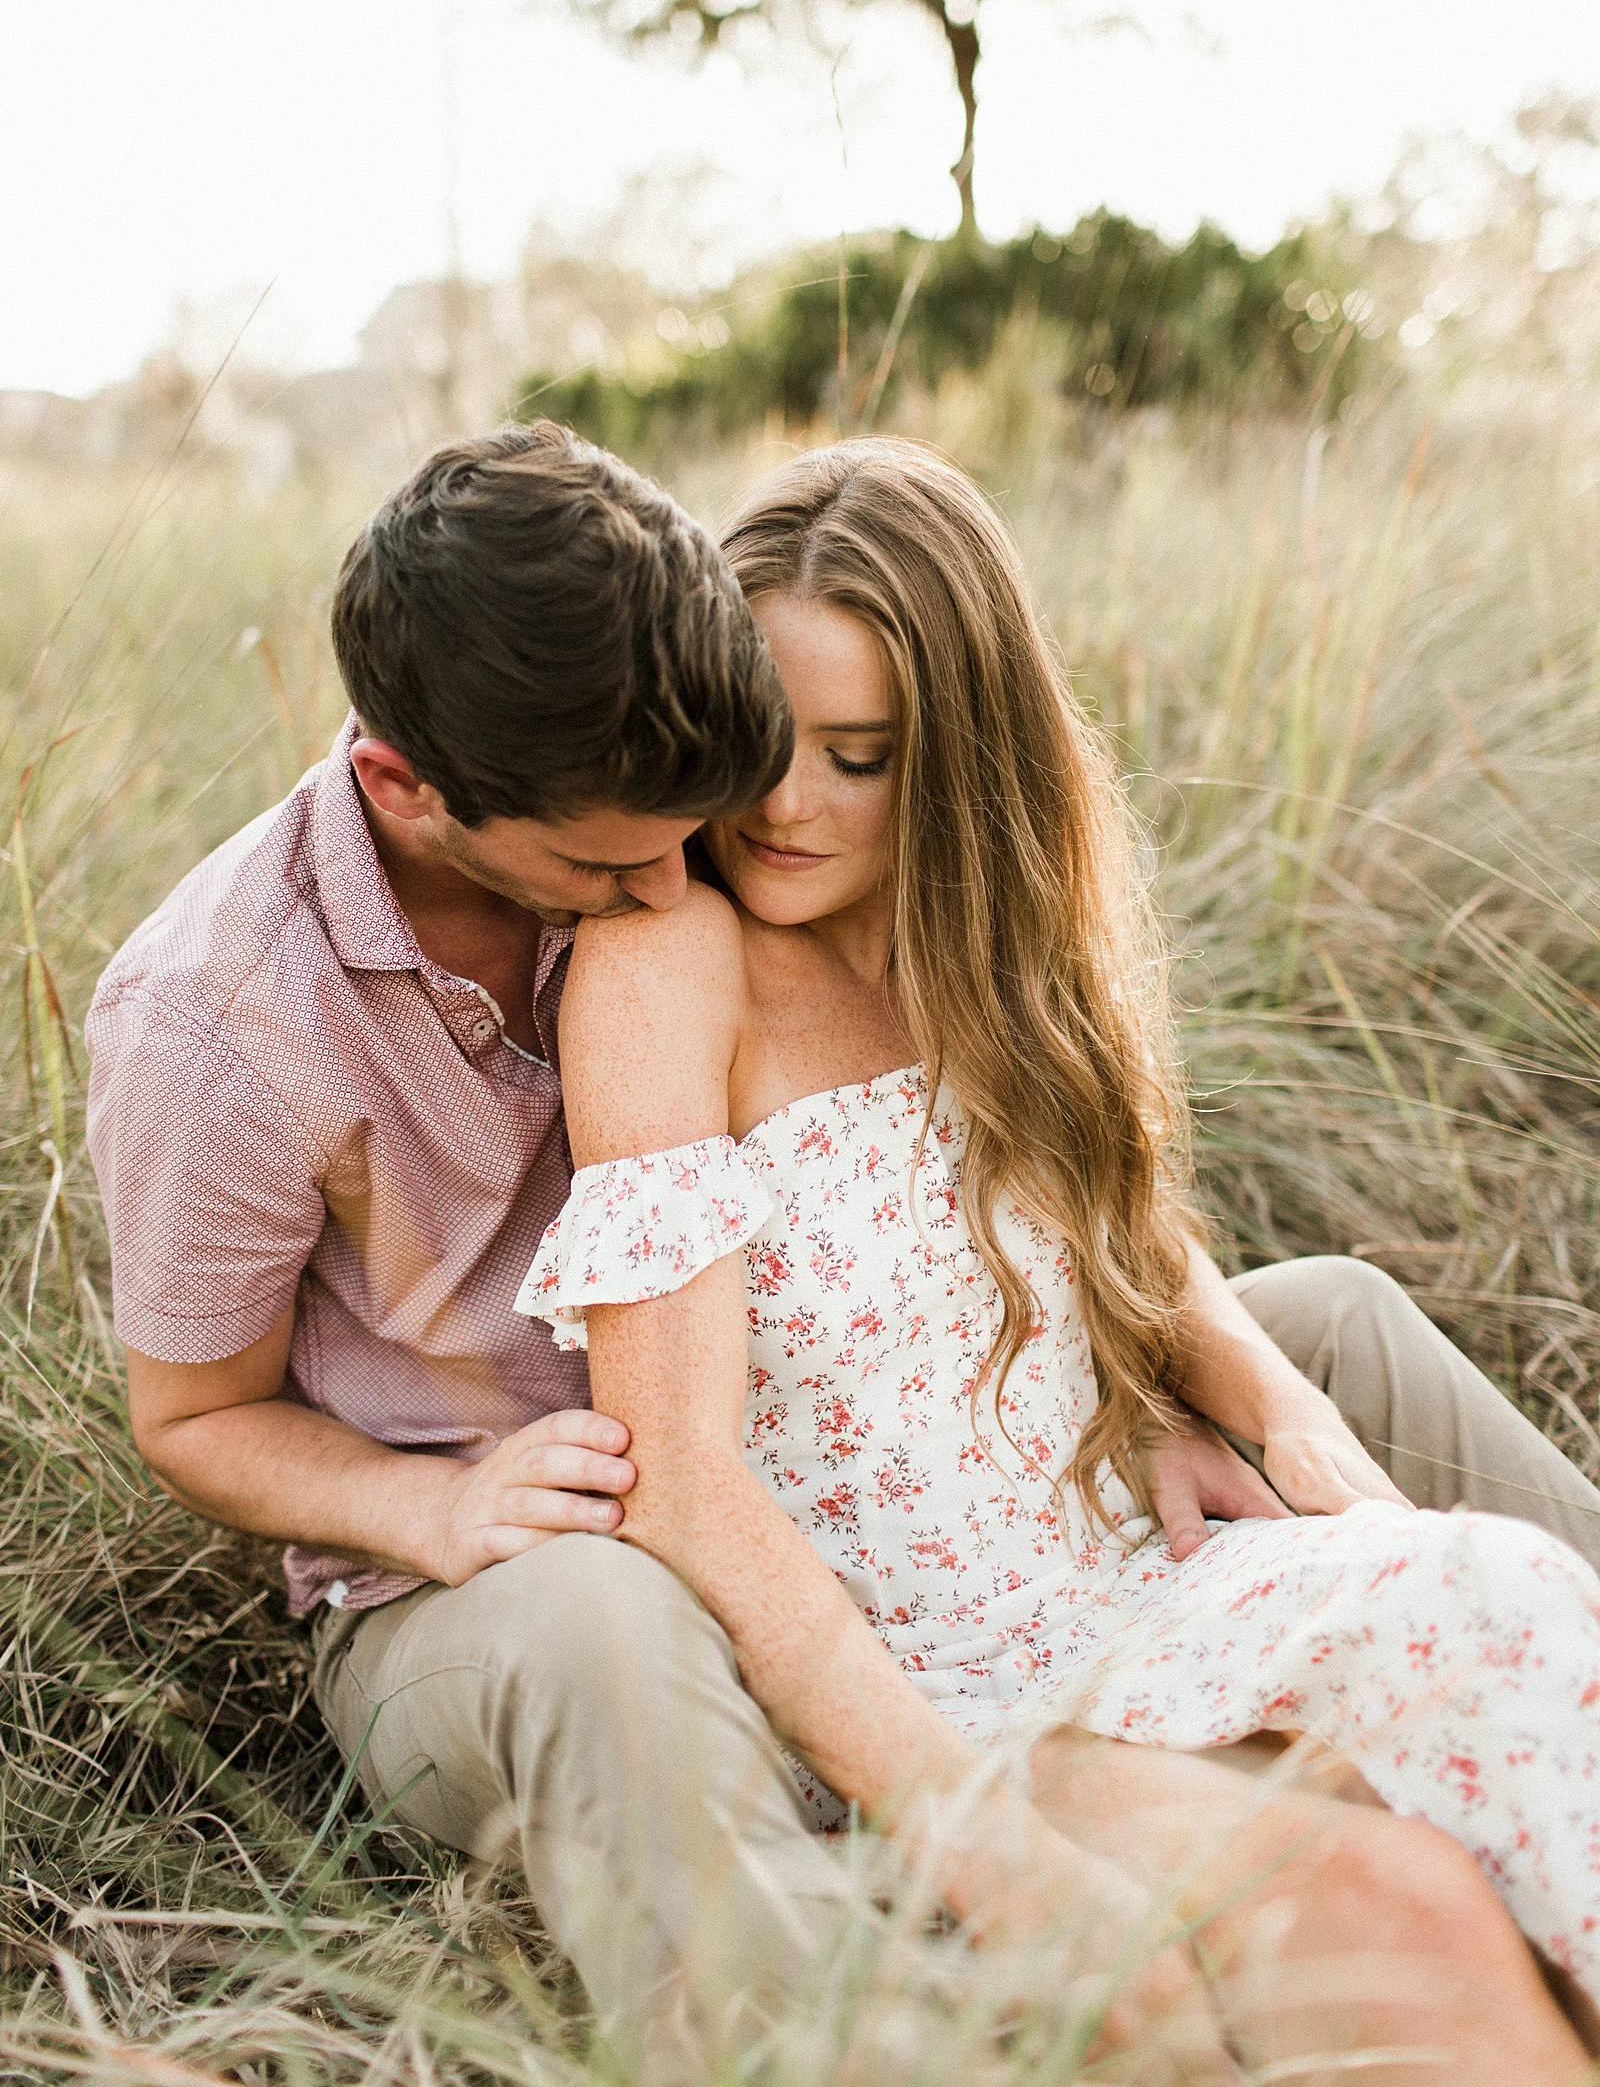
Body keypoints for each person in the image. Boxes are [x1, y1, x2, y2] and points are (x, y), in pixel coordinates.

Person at [86, 423, 1600, 2080]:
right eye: (611, 861)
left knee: (1342, 1338)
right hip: (537, 1533)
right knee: (611, 1624)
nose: (681, 871)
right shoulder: (234, 1020)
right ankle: (826, 2025)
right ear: (412, 792)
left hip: (896, 1436)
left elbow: (1075, 1203)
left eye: (739, 792)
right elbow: (204, 1417)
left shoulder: (702, 825)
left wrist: (1180, 1375)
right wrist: (438, 1504)